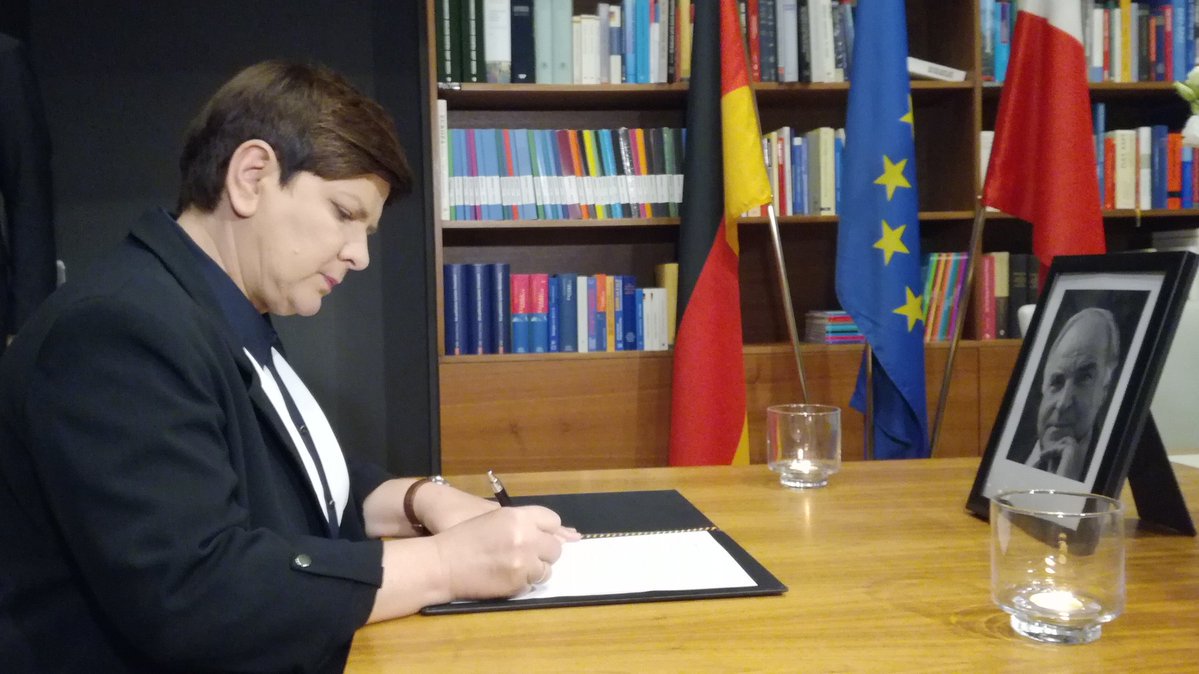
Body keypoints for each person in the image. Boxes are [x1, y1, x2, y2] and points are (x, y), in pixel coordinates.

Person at [0, 60, 578, 673]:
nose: (359, 255)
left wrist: (420, 500)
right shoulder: (117, 331)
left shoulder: (209, 307)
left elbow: (298, 480)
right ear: (251, 177)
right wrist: (447, 564)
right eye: (345, 214)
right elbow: (197, 596)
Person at [1023, 306, 1121, 481]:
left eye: (1084, 379)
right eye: (1057, 381)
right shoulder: (1011, 451)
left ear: (1104, 391)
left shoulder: (1105, 464)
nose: (1063, 403)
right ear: (1044, 385)